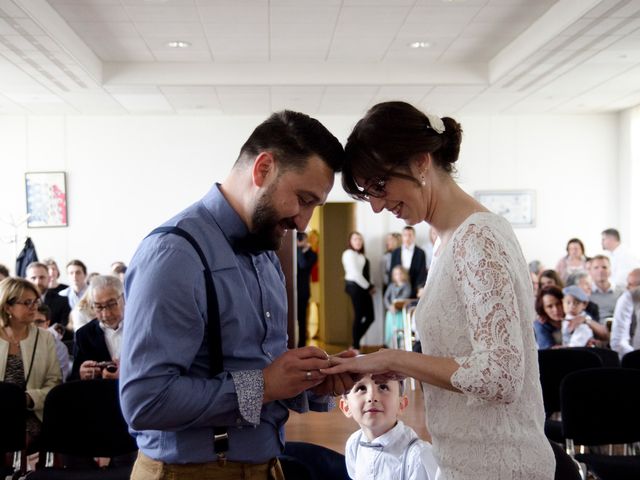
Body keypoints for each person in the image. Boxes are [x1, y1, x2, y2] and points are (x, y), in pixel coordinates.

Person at [119, 110, 355, 480]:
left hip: (264, 466)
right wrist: (264, 385)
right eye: (303, 199)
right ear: (263, 169)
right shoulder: (174, 255)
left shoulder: (265, 254)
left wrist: (309, 380)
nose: (303, 222)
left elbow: (256, 367)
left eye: (314, 206)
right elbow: (145, 400)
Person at [325, 101, 555, 479]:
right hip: (463, 457)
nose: (379, 206)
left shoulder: (477, 237)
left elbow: (501, 375)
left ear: (420, 161)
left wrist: (392, 359)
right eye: (369, 194)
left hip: (498, 462)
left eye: (380, 186)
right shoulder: (446, 238)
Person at [0, 277, 62, 451]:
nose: (34, 307)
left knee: (19, 436)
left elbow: (54, 383)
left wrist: (29, 398)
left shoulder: (45, 338)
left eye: (35, 301)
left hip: (31, 413)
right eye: (27, 302)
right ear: (7, 306)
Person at [339, 375, 439, 480]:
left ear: (401, 404)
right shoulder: (353, 444)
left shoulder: (418, 457)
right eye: (361, 388)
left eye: (383, 387)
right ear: (346, 406)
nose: (372, 397)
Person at [71, 275, 124, 381]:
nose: (106, 314)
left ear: (124, 298)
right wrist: (82, 374)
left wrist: (126, 374)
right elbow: (74, 378)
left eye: (111, 304)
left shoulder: (143, 328)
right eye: (99, 307)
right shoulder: (84, 335)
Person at [342, 231, 376, 350]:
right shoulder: (348, 253)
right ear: (350, 242)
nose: (358, 241)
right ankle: (356, 346)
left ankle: (354, 343)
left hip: (364, 287)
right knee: (359, 315)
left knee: (370, 317)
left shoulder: (362, 256)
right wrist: (369, 287)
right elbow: (356, 274)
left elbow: (367, 273)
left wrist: (371, 285)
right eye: (355, 239)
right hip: (355, 287)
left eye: (360, 239)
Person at [25, 262, 71, 330]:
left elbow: (64, 329)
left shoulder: (62, 301)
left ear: (49, 279)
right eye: (33, 278)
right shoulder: (19, 303)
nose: (38, 282)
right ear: (27, 280)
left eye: (42, 277)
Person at [34, 304, 70, 381]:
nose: (33, 326)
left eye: (39, 322)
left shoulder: (59, 348)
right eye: (30, 321)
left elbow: (57, 381)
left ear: (47, 323)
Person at [610, 268, 640, 359]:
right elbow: (618, 341)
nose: (627, 287)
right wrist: (632, 358)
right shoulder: (628, 297)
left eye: (630, 284)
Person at [390, 226, 427, 297]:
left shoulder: (421, 252)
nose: (407, 238)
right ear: (402, 237)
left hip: (415, 289)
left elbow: (422, 273)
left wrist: (418, 288)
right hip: (398, 290)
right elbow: (392, 271)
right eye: (405, 235)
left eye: (410, 235)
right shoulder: (395, 252)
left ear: (414, 237)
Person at [296, 232, 317, 347]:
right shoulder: (291, 251)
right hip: (289, 290)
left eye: (301, 238)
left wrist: (299, 249)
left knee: (302, 320)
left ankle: (301, 345)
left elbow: (303, 264)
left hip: (303, 291)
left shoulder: (312, 254)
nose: (299, 241)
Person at [383, 265, 411, 348]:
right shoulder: (391, 286)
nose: (398, 276)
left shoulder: (407, 285)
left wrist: (395, 305)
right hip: (391, 313)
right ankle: (392, 347)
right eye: (396, 274)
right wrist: (390, 307)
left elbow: (404, 297)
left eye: (400, 274)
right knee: (391, 332)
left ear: (404, 274)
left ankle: (401, 348)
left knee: (401, 333)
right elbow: (386, 298)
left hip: (400, 313)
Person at [588, 254, 624, 319]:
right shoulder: (585, 293)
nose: (600, 270)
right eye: (596, 267)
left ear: (610, 271)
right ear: (590, 271)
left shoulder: (621, 291)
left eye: (604, 267)